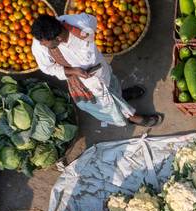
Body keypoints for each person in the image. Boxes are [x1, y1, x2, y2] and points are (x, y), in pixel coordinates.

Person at [31, 13, 160, 128]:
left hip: (100, 69)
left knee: (111, 86)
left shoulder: (79, 23)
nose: (42, 44)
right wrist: (73, 71)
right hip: (83, 82)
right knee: (107, 104)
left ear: (58, 38)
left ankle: (121, 96)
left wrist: (78, 31)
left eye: (45, 43)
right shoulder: (40, 46)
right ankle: (132, 117)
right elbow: (47, 68)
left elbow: (92, 20)